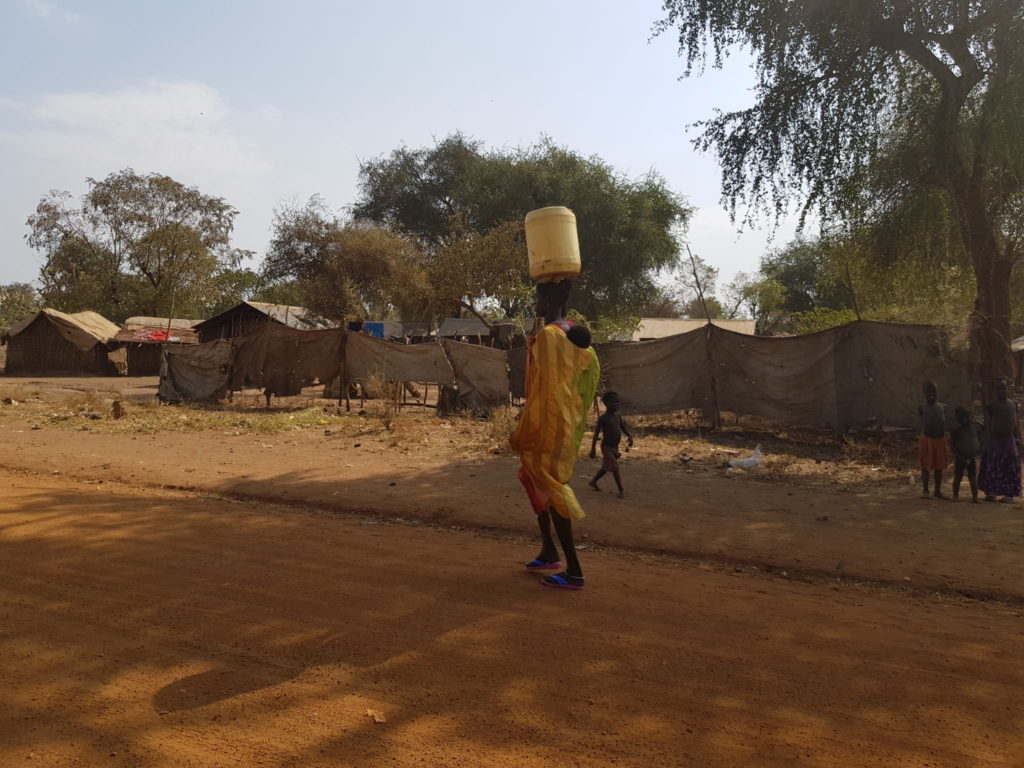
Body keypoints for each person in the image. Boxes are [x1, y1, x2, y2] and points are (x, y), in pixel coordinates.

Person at [509, 280, 600, 590]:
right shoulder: (569, 330)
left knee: (550, 485)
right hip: (565, 422)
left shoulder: (550, 335)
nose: (535, 301)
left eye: (538, 296)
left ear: (548, 300)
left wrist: (526, 427)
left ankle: (574, 570)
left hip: (549, 423)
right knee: (531, 478)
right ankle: (549, 551)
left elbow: (545, 391)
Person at [979, 378, 1022, 503]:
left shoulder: (1013, 404)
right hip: (995, 441)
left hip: (1009, 440)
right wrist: (985, 441)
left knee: (1010, 466)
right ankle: (991, 492)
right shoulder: (991, 406)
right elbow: (987, 424)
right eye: (998, 388)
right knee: (993, 465)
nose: (1001, 390)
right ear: (995, 391)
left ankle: (1009, 493)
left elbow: (1015, 423)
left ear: (1008, 389)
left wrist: (1018, 438)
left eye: (1003, 388)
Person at [588, 391, 633, 498]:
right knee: (615, 467)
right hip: (606, 447)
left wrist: (630, 436)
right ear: (607, 404)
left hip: (614, 447)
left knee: (606, 467)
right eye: (614, 402)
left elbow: (623, 427)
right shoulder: (603, 418)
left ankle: (593, 481)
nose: (617, 405)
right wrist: (593, 449)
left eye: (618, 402)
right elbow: (596, 435)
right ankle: (621, 490)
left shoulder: (617, 415)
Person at [917, 380, 948, 499]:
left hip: (939, 440)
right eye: (928, 391)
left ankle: (937, 491)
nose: (931, 393)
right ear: (923, 393)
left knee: (939, 467)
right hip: (927, 439)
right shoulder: (922, 408)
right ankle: (925, 490)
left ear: (938, 392)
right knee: (925, 466)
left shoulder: (943, 407)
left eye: (934, 391)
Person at [950, 406, 983, 503]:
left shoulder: (976, 427)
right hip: (961, 458)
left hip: (972, 457)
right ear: (957, 418)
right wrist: (959, 457)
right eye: (961, 416)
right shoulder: (956, 430)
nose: (964, 418)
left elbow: (980, 441)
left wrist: (977, 454)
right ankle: (955, 496)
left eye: (966, 416)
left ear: (970, 416)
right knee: (958, 476)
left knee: (973, 477)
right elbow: (953, 446)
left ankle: (975, 497)